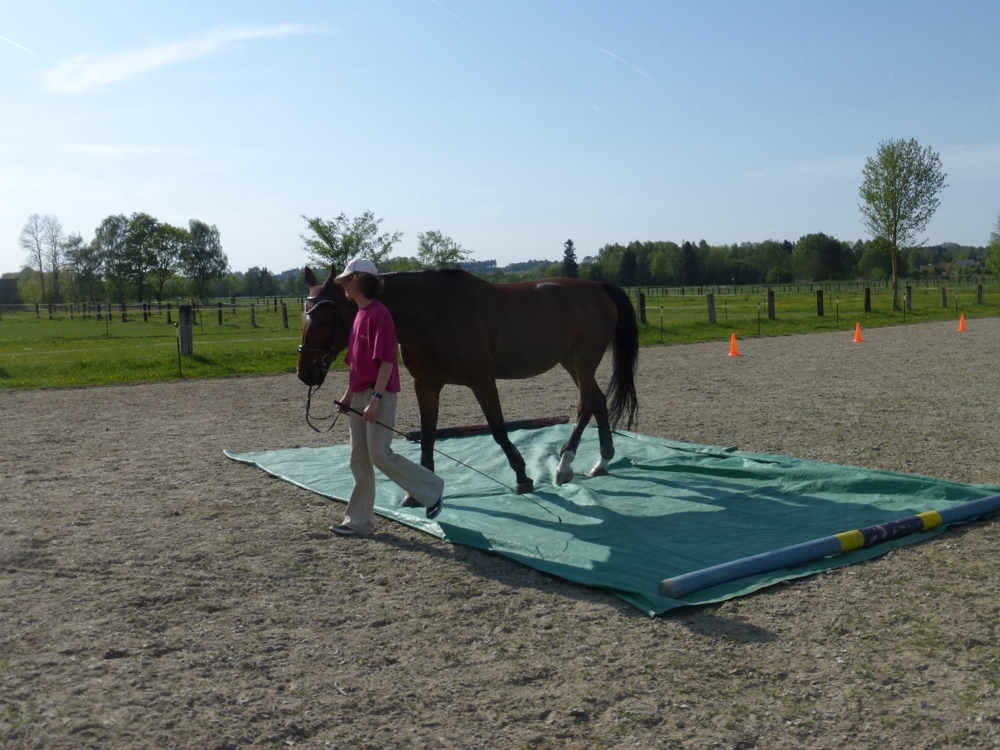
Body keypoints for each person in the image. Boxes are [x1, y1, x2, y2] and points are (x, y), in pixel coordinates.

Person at [331, 257, 444, 536]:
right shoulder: (359, 315)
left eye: (347, 279)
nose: (344, 284)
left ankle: (432, 489)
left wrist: (376, 398)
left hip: (377, 395)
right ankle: (359, 522)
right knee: (359, 459)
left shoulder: (380, 314)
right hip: (360, 395)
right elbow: (356, 364)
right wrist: (348, 397)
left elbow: (387, 362)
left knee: (379, 454)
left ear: (360, 280)